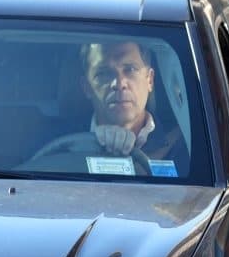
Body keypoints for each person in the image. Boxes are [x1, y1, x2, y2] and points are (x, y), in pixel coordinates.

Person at [81, 39, 189, 174]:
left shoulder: (185, 145)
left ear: (150, 80)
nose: (119, 84)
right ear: (87, 87)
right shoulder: (60, 145)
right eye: (103, 73)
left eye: (130, 69)